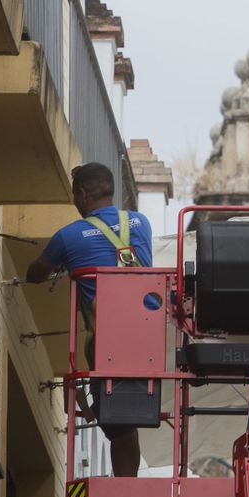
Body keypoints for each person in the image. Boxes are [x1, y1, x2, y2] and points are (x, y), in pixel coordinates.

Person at [26, 162, 152, 478]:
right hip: (147, 334)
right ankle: (129, 482)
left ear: (82, 195)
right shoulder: (141, 223)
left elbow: (34, 274)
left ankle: (126, 485)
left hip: (107, 342)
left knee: (116, 422)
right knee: (125, 418)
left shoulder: (69, 236)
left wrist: (63, 264)